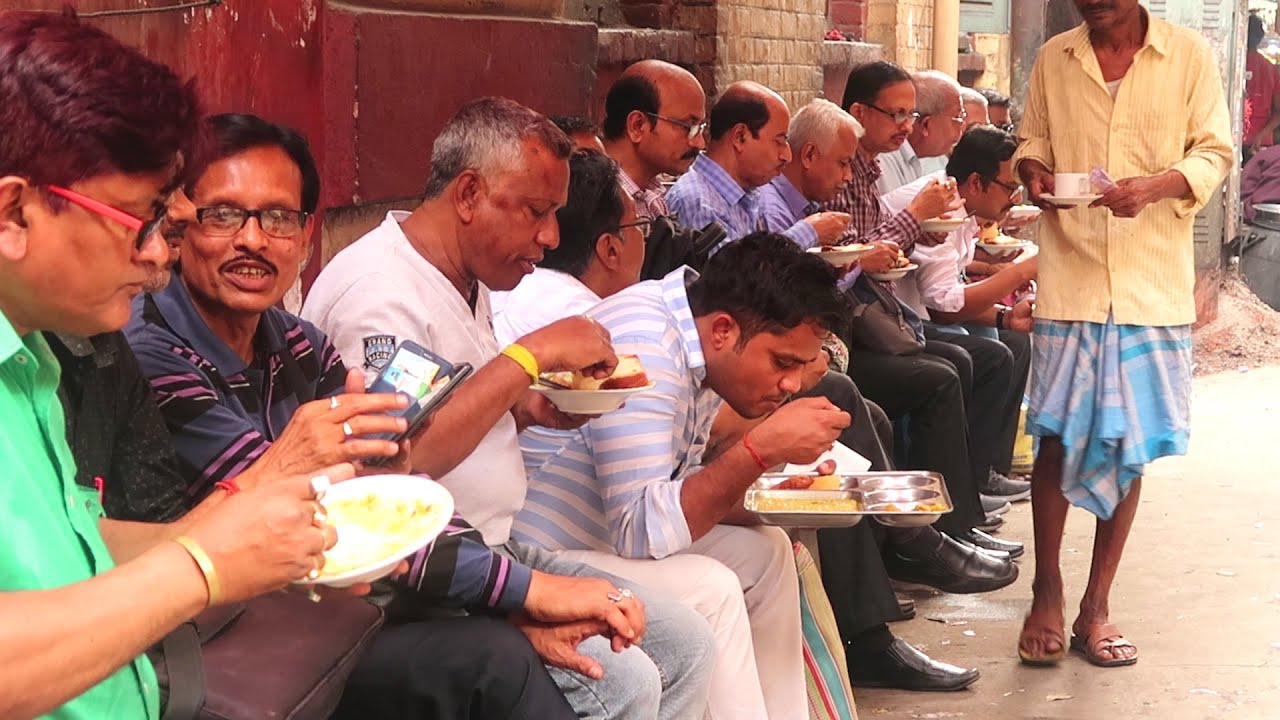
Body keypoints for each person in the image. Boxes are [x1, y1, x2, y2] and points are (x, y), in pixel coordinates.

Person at [125, 112, 661, 718]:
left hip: (350, 602)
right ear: (178, 227)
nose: (252, 239)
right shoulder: (153, 354)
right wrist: (526, 592)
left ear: (305, 239)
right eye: (225, 215)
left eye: (277, 218)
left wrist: (514, 600)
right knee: (503, 661)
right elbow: (326, 523)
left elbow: (393, 493)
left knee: (628, 639)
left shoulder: (300, 344)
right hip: (221, 639)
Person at [303, 97, 715, 718]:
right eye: (536, 212)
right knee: (620, 679)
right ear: (468, 194)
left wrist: (527, 408)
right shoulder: (380, 295)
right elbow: (393, 465)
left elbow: (452, 401)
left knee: (683, 642)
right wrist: (527, 356)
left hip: (498, 545)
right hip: (423, 574)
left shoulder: (463, 274)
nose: (550, 237)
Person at [0, 12, 341, 718]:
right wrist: (206, 566)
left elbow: (69, 548)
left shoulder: (33, 356)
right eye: (140, 219)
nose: (159, 254)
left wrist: (239, 536)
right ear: (13, 212)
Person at [521, 233, 852, 718]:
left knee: (768, 553)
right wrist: (758, 452)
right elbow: (640, 530)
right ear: (723, 331)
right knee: (711, 587)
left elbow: (682, 488)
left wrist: (780, 490)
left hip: (603, 535)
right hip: (545, 550)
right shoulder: (648, 342)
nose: (791, 384)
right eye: (782, 363)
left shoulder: (695, 339)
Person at [1014, 0, 1231, 667]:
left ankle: (1096, 605)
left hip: (1149, 285)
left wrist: (1159, 185)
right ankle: (1046, 591)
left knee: (1128, 440)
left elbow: (1215, 151)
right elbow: (1032, 144)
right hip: (1072, 276)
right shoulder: (1055, 59)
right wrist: (1035, 175)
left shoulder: (1189, 57)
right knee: (1052, 435)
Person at [665, 81, 836, 249]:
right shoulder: (699, 203)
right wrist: (807, 233)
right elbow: (733, 276)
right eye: (779, 141)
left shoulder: (745, 194)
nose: (787, 155)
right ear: (740, 137)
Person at [601, 60, 708, 221]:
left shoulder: (654, 199)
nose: (699, 143)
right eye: (688, 127)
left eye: (699, 128)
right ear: (637, 126)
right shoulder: (597, 204)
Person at [755, 98, 858, 249]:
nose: (848, 176)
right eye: (843, 163)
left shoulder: (810, 205)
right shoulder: (772, 212)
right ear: (809, 155)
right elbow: (777, 270)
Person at [876, 70, 966, 194]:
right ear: (925, 125)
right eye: (958, 116)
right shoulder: (884, 161)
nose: (962, 125)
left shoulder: (914, 157)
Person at [1247, 14, 1280, 163]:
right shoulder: (1270, 69)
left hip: (1235, 140)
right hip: (1262, 143)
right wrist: (1261, 136)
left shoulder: (1230, 66)